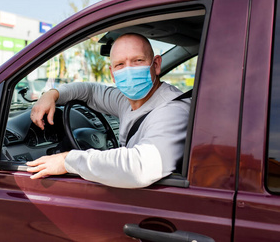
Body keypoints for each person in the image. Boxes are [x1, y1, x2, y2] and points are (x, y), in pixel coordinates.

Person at [26, 33, 190, 188]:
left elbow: (140, 167)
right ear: (112, 74)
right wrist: (51, 94)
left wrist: (67, 160)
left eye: (137, 60)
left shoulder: (173, 110)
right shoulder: (125, 100)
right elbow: (89, 91)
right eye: (120, 64)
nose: (129, 70)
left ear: (156, 64)